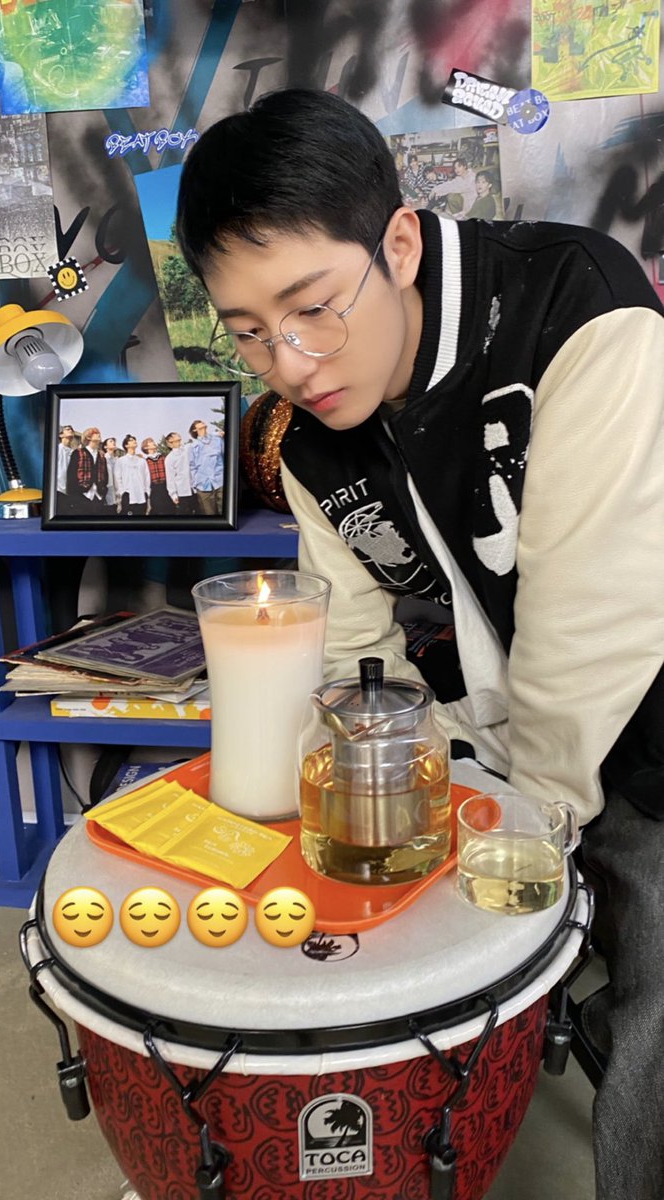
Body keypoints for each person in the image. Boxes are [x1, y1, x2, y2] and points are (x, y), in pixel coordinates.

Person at [176, 87, 664, 1199]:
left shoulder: (575, 308)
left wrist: (531, 832)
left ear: (397, 243)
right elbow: (351, 648)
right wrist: (401, 775)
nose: (292, 363)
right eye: (247, 332)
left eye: (312, 308)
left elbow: (596, 622)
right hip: (505, 730)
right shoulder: (313, 447)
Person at [66, 426, 108, 514]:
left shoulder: (102, 456)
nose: (99, 435)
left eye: (99, 433)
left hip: (98, 496)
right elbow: (71, 475)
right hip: (82, 495)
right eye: (95, 433)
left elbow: (105, 475)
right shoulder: (78, 453)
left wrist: (104, 491)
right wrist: (73, 496)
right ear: (88, 437)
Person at [187, 418, 225, 515]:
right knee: (209, 514)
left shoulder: (218, 439)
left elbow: (225, 456)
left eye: (202, 421)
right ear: (194, 429)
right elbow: (192, 467)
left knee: (224, 512)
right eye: (198, 422)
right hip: (203, 485)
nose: (201, 422)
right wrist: (195, 484)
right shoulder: (193, 446)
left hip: (220, 481)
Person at [114, 434, 150, 517]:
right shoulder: (120, 461)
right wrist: (122, 492)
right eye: (131, 440)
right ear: (126, 445)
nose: (134, 441)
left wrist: (147, 491)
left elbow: (147, 477)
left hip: (142, 496)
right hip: (128, 496)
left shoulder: (142, 461)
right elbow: (117, 478)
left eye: (134, 440)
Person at [164, 431, 198, 515]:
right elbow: (170, 478)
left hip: (194, 489)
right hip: (182, 492)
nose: (178, 435)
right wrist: (173, 494)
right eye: (175, 435)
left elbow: (197, 443)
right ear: (170, 441)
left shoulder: (186, 449)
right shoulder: (169, 458)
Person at [140, 436, 172, 516]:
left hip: (165, 486)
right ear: (146, 447)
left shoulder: (163, 457)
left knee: (169, 508)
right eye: (150, 442)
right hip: (154, 488)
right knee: (157, 508)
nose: (153, 443)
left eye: (153, 442)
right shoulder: (145, 461)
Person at [56, 425, 74, 512]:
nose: (70, 431)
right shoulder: (56, 449)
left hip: (70, 490)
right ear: (61, 435)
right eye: (67, 429)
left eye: (71, 430)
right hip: (58, 489)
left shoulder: (73, 452)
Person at [101, 436, 120, 514]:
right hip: (106, 492)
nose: (113, 443)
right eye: (111, 441)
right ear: (105, 446)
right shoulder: (103, 459)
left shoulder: (117, 460)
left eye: (114, 441)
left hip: (117, 493)